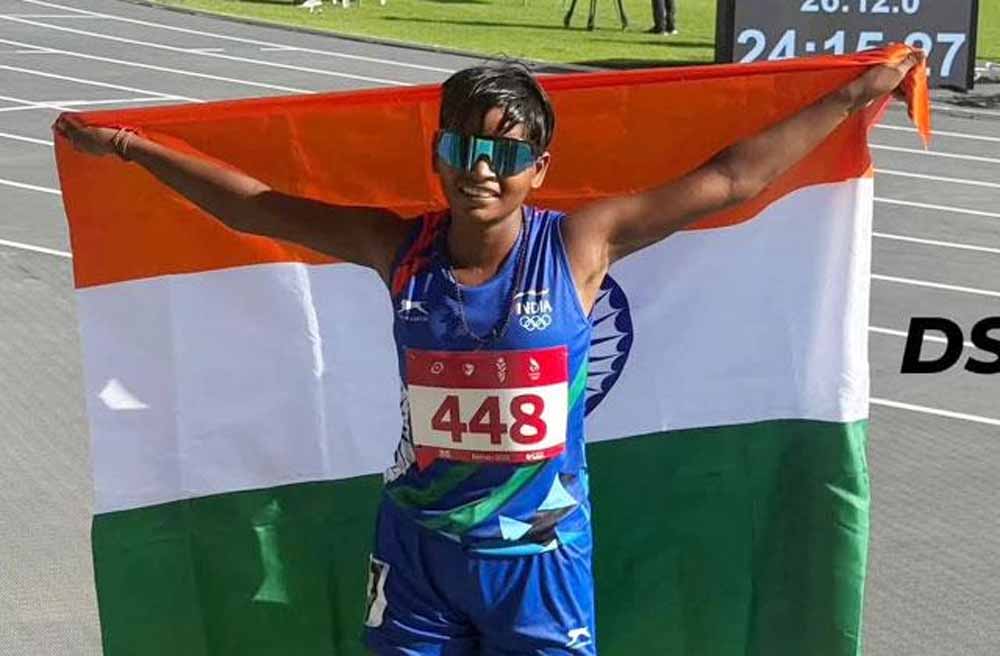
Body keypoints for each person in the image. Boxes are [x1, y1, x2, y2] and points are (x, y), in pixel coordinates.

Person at [55, 51, 923, 655]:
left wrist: (854, 96)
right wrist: (128, 147)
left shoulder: (580, 244)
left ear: (538, 168)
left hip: (536, 559)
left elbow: (732, 179)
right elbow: (257, 207)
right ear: (438, 156)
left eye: (505, 153)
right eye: (463, 147)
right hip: (418, 552)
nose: (481, 168)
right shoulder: (397, 249)